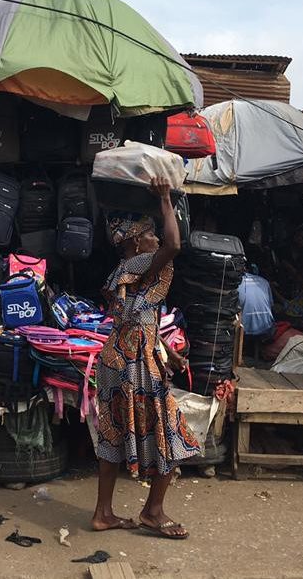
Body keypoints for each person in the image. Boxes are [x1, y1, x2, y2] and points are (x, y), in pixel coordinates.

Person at [92, 178, 199, 540]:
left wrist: (167, 352)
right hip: (133, 364)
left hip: (119, 358)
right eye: (150, 233)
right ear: (136, 241)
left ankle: (103, 513)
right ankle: (153, 512)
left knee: (112, 431)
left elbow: (137, 318)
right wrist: (165, 198)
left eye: (155, 233)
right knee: (171, 432)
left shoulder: (125, 269)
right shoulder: (140, 260)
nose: (157, 238)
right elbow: (175, 244)